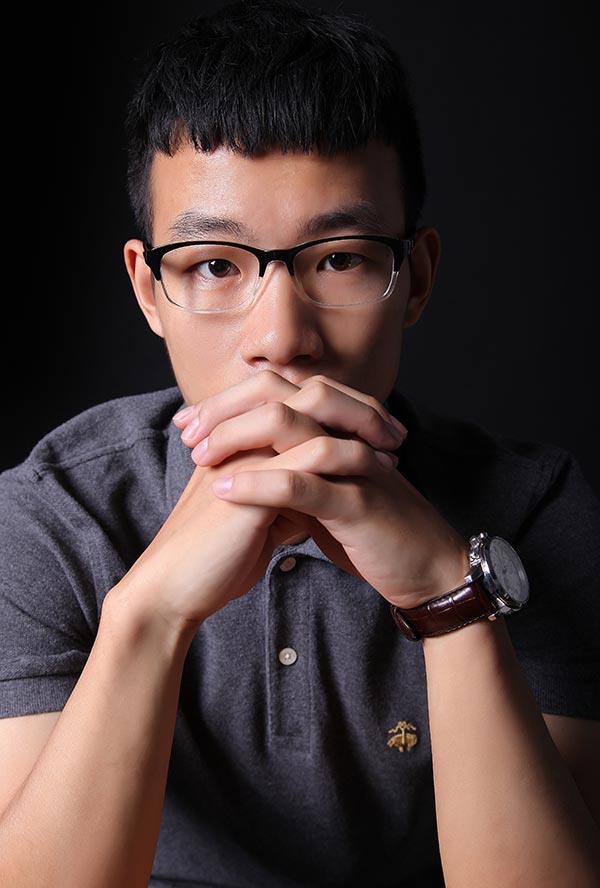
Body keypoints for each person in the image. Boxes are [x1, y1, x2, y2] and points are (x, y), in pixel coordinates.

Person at [1, 0, 598, 885]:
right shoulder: (54, 514)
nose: (281, 339)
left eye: (340, 258)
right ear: (148, 290)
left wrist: (448, 595)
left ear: (416, 278)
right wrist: (149, 613)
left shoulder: (537, 509)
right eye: (214, 265)